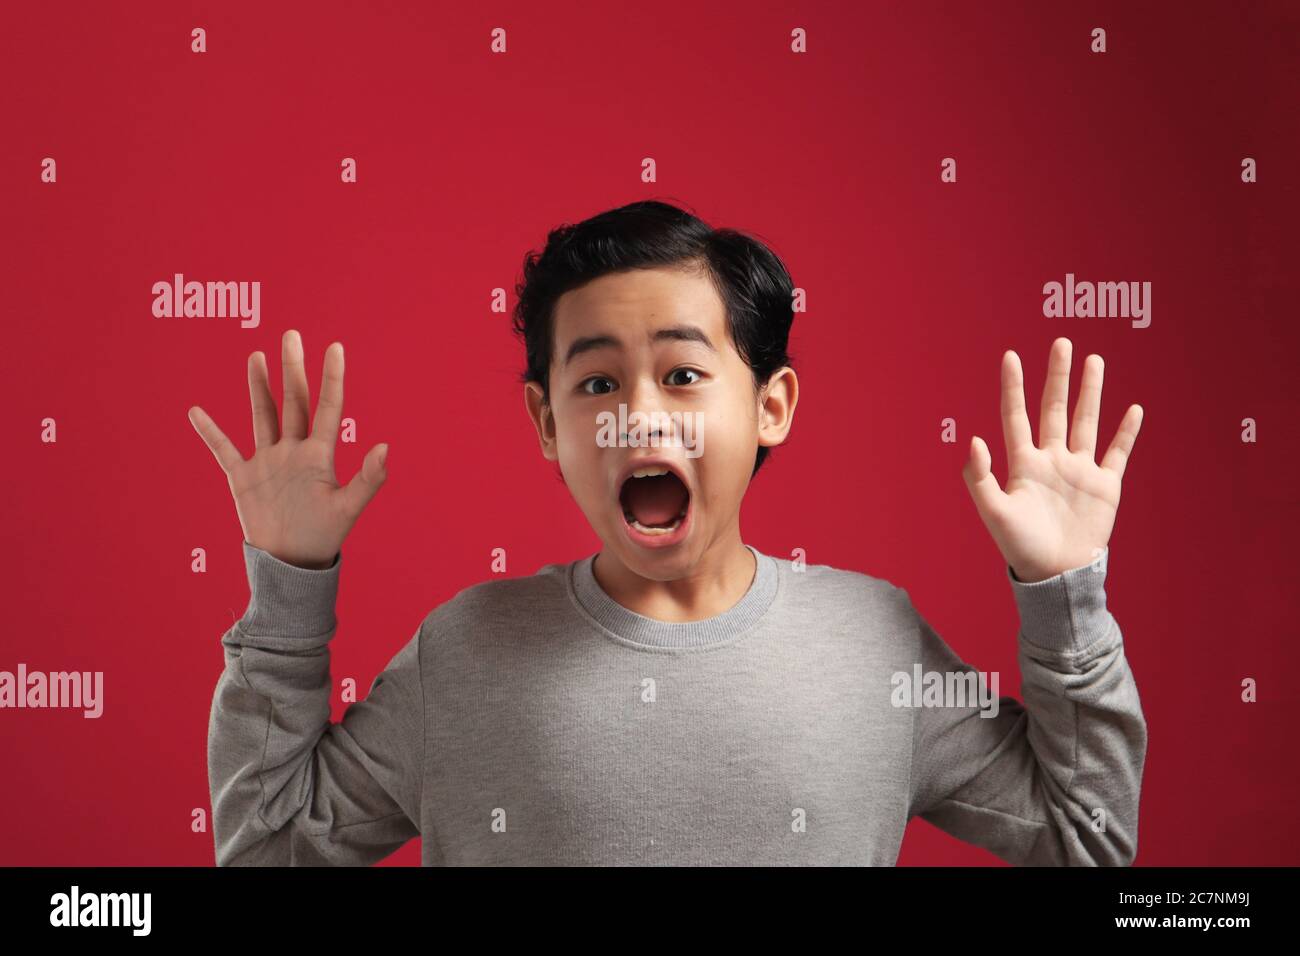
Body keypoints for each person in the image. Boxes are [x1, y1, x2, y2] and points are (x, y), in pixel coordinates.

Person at [191, 199, 1147, 866]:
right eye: (598, 382)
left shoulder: (872, 642)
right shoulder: (472, 650)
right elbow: (269, 847)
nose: (639, 420)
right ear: (548, 425)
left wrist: (1065, 594)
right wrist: (289, 580)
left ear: (771, 407)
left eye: (684, 375)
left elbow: (1086, 839)